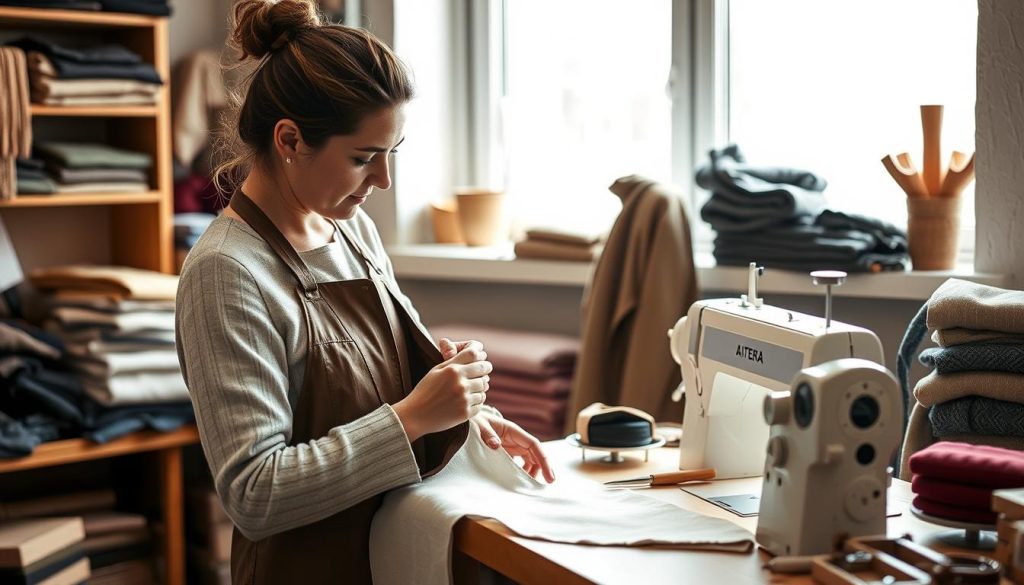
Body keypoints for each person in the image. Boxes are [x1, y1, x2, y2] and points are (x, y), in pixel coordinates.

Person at [174, 1, 555, 583]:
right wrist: (412, 419)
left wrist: (468, 418)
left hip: (392, 555)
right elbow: (254, 495)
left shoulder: (352, 230)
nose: (383, 181)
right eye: (362, 159)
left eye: (391, 155)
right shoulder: (226, 273)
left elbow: (383, 391)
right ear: (290, 140)